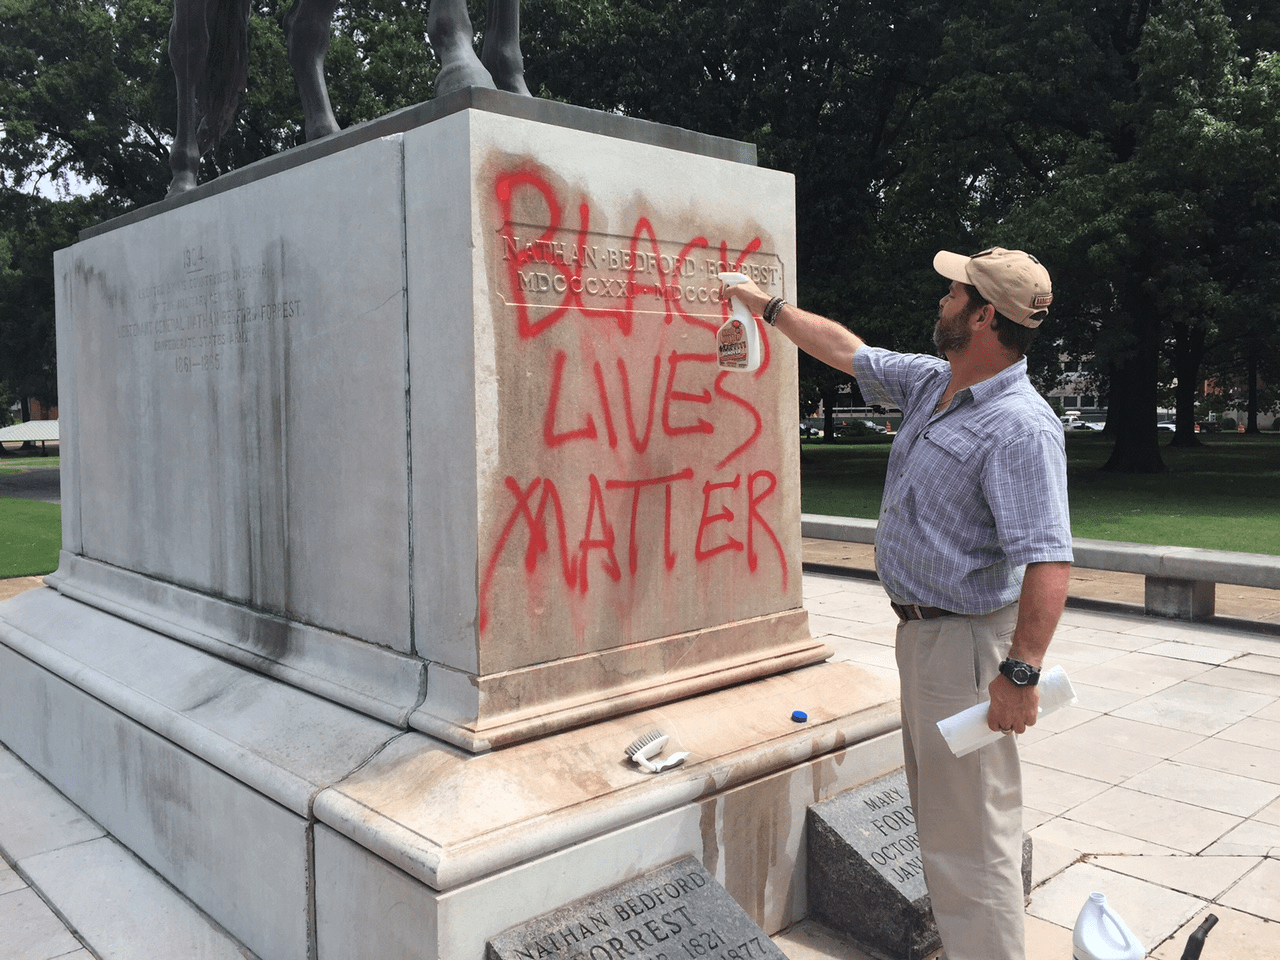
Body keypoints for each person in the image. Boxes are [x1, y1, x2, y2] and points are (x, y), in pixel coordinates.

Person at [724, 248, 1073, 960]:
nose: (941, 300)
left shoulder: (1020, 426)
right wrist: (765, 305)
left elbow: (1049, 558)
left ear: (982, 316)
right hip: (925, 641)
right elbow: (848, 352)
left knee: (972, 841)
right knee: (945, 829)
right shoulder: (933, 384)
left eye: (953, 293)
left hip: (971, 650)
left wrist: (1021, 672)